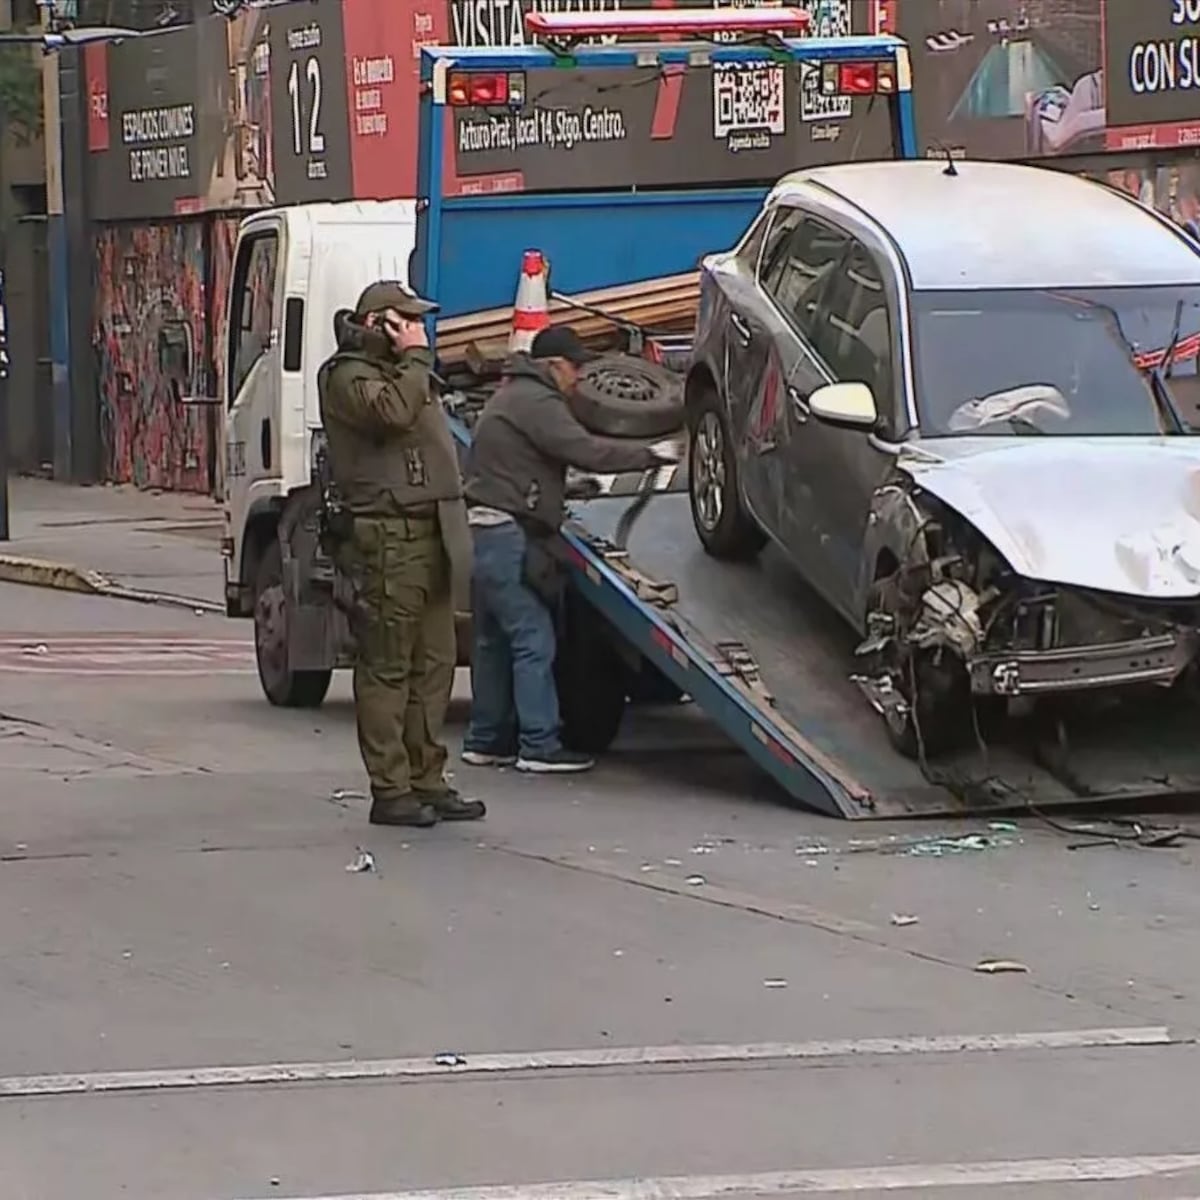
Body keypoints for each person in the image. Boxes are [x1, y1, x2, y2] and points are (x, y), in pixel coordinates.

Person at [462, 325, 682, 774]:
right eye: (574, 368)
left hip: (486, 530)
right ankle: (539, 746)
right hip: (509, 534)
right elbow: (585, 449)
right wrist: (651, 454)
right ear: (553, 365)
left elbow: (519, 465)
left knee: (494, 642)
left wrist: (565, 488)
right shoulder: (537, 401)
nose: (579, 377)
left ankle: (486, 741)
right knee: (534, 638)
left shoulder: (510, 396)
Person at [318, 280, 484, 828]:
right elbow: (390, 414)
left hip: (432, 529)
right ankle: (391, 787)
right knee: (388, 665)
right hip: (388, 534)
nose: (416, 330)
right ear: (378, 324)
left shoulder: (405, 372)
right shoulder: (348, 375)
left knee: (434, 663)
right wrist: (414, 357)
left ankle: (426, 777)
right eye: (404, 320)